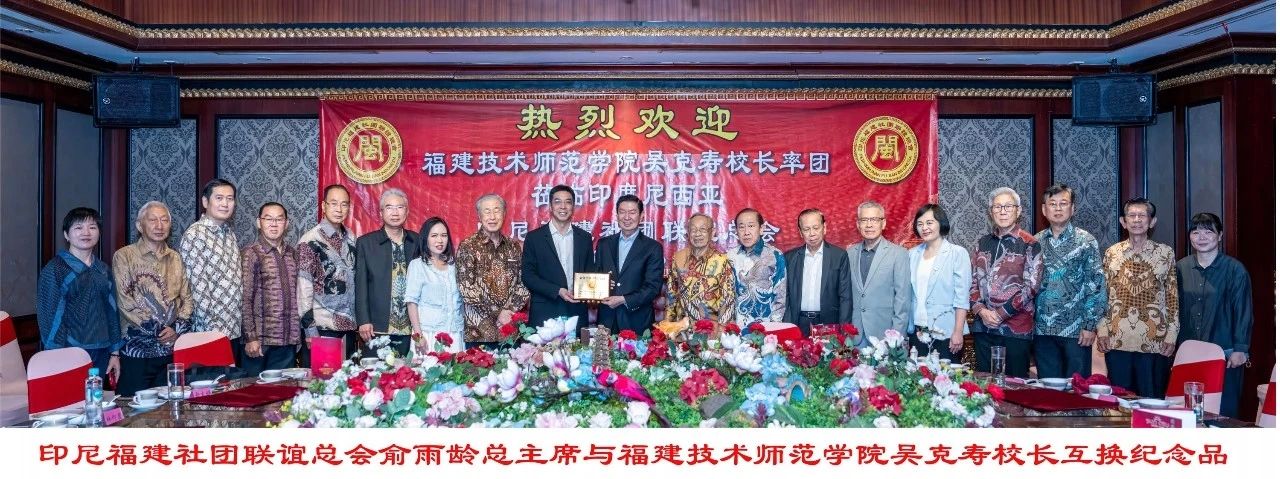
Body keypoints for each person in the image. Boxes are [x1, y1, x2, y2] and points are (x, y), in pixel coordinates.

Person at [1098, 197, 1179, 398]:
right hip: (1117, 339)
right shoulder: (1112, 253)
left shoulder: (1165, 253)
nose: (1136, 220)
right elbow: (1102, 295)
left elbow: (1172, 297)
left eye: (1142, 215)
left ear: (1152, 221)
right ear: (1123, 221)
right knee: (1120, 401)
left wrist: (1172, 334)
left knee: (1151, 400)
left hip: (1155, 341)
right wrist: (1102, 330)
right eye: (1131, 215)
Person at [1176, 212, 1253, 418]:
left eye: (1208, 232)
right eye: (1196, 232)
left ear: (1219, 236)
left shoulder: (1235, 270)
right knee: (1188, 411)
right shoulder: (1181, 268)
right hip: (1189, 352)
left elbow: (1243, 311)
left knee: (1223, 411)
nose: (1201, 237)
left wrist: (1241, 349)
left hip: (1225, 353)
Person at [112, 201, 193, 396]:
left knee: (168, 405)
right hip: (137, 349)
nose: (159, 225)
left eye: (164, 220)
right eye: (153, 220)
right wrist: (157, 330)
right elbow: (125, 302)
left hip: (170, 349)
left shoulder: (175, 258)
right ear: (140, 226)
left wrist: (176, 329)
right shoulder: (124, 256)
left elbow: (187, 298)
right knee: (134, 406)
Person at [37, 207, 121, 381]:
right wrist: (56, 355)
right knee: (71, 398)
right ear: (66, 235)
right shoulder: (55, 270)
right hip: (69, 351)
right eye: (78, 227)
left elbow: (112, 311)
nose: (86, 233)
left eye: (92, 227)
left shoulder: (103, 269)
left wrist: (115, 352)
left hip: (102, 350)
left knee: (95, 396)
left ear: (99, 233)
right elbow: (49, 317)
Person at [1033, 183, 1107, 378]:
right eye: (1053, 204)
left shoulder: (1086, 241)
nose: (1058, 208)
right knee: (1047, 389)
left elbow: (1096, 285)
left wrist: (1090, 325)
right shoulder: (1035, 242)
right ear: (1044, 209)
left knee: (1076, 388)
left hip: (1076, 330)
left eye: (1063, 203)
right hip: (1042, 330)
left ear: (1072, 208)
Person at [970, 187, 1043, 378]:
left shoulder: (1030, 244)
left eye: (1008, 206)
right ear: (990, 212)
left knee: (1015, 386)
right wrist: (982, 311)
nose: (1002, 211)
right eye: (997, 207)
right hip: (984, 327)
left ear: (1018, 211)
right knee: (984, 385)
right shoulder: (982, 243)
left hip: (1016, 329)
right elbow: (973, 282)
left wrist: (1000, 314)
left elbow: (1031, 287)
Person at [179, 178, 244, 363]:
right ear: (205, 202)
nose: (225, 204)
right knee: (211, 381)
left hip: (233, 329)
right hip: (209, 334)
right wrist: (213, 333)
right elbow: (197, 290)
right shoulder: (195, 235)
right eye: (219, 198)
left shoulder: (229, 233)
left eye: (230, 199)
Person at [354, 189, 422, 358]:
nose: (395, 212)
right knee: (375, 371)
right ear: (381, 212)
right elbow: (360, 285)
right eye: (389, 207)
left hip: (409, 328)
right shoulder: (366, 243)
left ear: (407, 211)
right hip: (376, 327)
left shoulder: (417, 241)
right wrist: (363, 320)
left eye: (400, 207)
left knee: (408, 371)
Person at [457, 194, 530, 349]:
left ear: (504, 213)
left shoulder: (514, 247)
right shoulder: (468, 246)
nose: (492, 216)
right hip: (479, 333)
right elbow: (466, 288)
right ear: (479, 215)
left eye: (497, 210)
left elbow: (524, 283)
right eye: (487, 211)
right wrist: (498, 313)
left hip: (510, 330)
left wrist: (509, 313)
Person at [298, 184, 358, 362]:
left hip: (349, 327)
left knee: (348, 378)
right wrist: (310, 330)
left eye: (344, 204)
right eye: (334, 203)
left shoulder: (351, 238)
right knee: (321, 378)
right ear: (323, 206)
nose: (339, 209)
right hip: (322, 328)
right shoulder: (310, 240)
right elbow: (303, 289)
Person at [239, 202, 300, 375]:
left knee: (284, 389)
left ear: (286, 224)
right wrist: (250, 337)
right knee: (255, 389)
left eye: (279, 219)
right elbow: (244, 298)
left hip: (287, 340)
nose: (274, 224)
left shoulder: (292, 253)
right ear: (259, 222)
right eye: (268, 219)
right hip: (259, 342)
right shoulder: (251, 253)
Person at [521, 184, 594, 327]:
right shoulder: (534, 238)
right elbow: (528, 276)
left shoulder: (584, 238)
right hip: (545, 311)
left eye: (568, 202)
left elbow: (590, 272)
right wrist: (557, 291)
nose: (563, 206)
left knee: (578, 343)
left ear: (573, 207)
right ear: (550, 206)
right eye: (558, 202)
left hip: (576, 310)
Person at [906, 204, 971, 361]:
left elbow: (962, 297)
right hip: (917, 330)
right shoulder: (912, 254)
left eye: (929, 223)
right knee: (918, 374)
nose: (924, 228)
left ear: (941, 223)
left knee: (945, 375)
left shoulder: (957, 253)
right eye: (920, 224)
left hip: (946, 332)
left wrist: (958, 331)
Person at [594, 195, 664, 336]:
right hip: (607, 319)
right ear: (617, 215)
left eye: (632, 212)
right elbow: (595, 276)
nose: (627, 217)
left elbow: (653, 287)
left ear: (641, 216)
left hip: (637, 320)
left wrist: (624, 299)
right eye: (622, 212)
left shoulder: (653, 248)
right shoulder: (604, 244)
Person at [846, 200, 910, 345]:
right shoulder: (849, 253)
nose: (869, 225)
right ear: (858, 224)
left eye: (874, 219)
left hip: (885, 336)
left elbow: (902, 299)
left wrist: (895, 338)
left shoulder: (898, 254)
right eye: (864, 220)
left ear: (883, 223)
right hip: (854, 335)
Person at [783, 208, 852, 337]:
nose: (812, 234)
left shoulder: (839, 256)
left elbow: (845, 297)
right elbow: (785, 296)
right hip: (798, 323)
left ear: (824, 228)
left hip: (828, 323)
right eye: (806, 229)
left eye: (816, 228)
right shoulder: (789, 258)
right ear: (800, 232)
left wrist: (844, 331)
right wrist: (787, 325)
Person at [664, 213, 736, 331]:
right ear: (688, 233)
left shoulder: (722, 261)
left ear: (712, 232)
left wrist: (720, 333)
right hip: (681, 329)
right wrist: (667, 327)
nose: (697, 234)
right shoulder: (678, 257)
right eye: (693, 230)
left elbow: (728, 301)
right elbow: (671, 295)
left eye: (703, 229)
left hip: (709, 330)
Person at [405, 217, 464, 353]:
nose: (440, 240)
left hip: (454, 333)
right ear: (425, 238)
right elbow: (411, 302)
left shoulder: (455, 265)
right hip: (428, 334)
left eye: (444, 235)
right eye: (434, 236)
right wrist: (418, 336)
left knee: (455, 367)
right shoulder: (417, 265)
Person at [728, 208, 786, 328]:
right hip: (735, 327)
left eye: (751, 226)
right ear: (736, 231)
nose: (746, 232)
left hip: (765, 327)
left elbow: (780, 297)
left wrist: (774, 327)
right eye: (741, 227)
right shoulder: (730, 256)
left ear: (761, 229)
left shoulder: (774, 256)